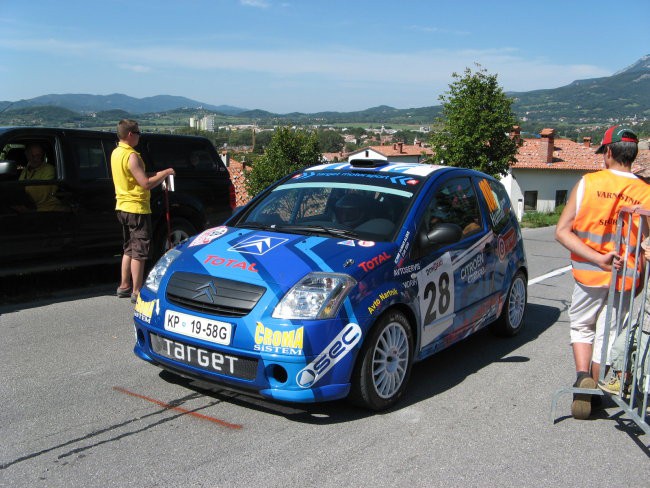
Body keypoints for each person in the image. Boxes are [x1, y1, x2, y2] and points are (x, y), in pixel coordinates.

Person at [555, 125, 650, 420]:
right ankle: (595, 392)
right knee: (609, 333)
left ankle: (583, 376)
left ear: (608, 152)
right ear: (634, 155)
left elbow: (562, 232)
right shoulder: (645, 191)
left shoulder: (588, 183)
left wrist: (597, 259)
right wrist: (640, 278)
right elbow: (646, 243)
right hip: (626, 276)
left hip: (589, 273)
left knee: (582, 326)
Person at [111, 119, 175, 303]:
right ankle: (137, 290)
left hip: (122, 206)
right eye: (138, 133)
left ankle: (124, 285)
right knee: (139, 250)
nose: (140, 136)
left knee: (128, 248)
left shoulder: (116, 153)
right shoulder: (132, 156)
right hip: (136, 208)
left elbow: (137, 177)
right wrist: (165, 173)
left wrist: (159, 173)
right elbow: (145, 184)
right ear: (130, 134)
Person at [17, 142, 67, 212]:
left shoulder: (49, 169)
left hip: (48, 211)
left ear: (43, 155)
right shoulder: (25, 170)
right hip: (29, 209)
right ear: (27, 155)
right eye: (32, 156)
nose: (35, 159)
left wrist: (21, 190)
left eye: (38, 155)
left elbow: (41, 194)